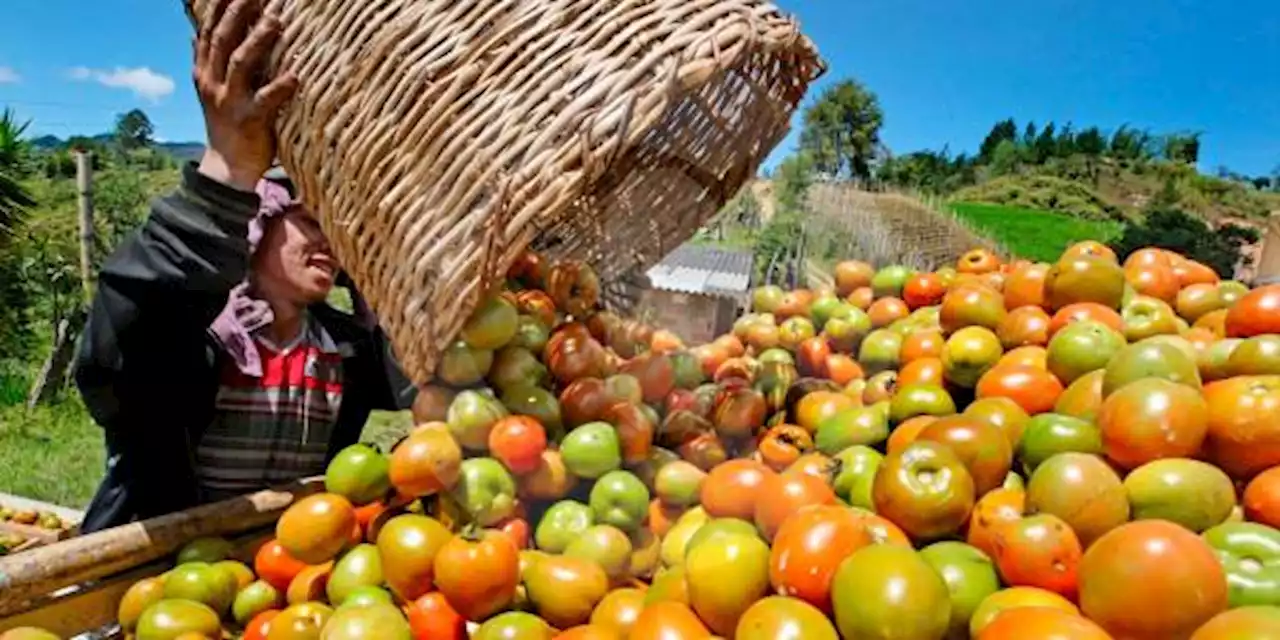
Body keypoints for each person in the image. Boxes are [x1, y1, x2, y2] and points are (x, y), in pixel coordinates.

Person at [75, 0, 413, 533]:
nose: (332, 245)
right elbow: (116, 348)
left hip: (288, 577)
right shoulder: (199, 338)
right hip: (168, 571)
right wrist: (228, 172)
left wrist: (379, 267)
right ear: (259, 224)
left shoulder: (343, 349)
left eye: (340, 233)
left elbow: (424, 385)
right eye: (312, 222)